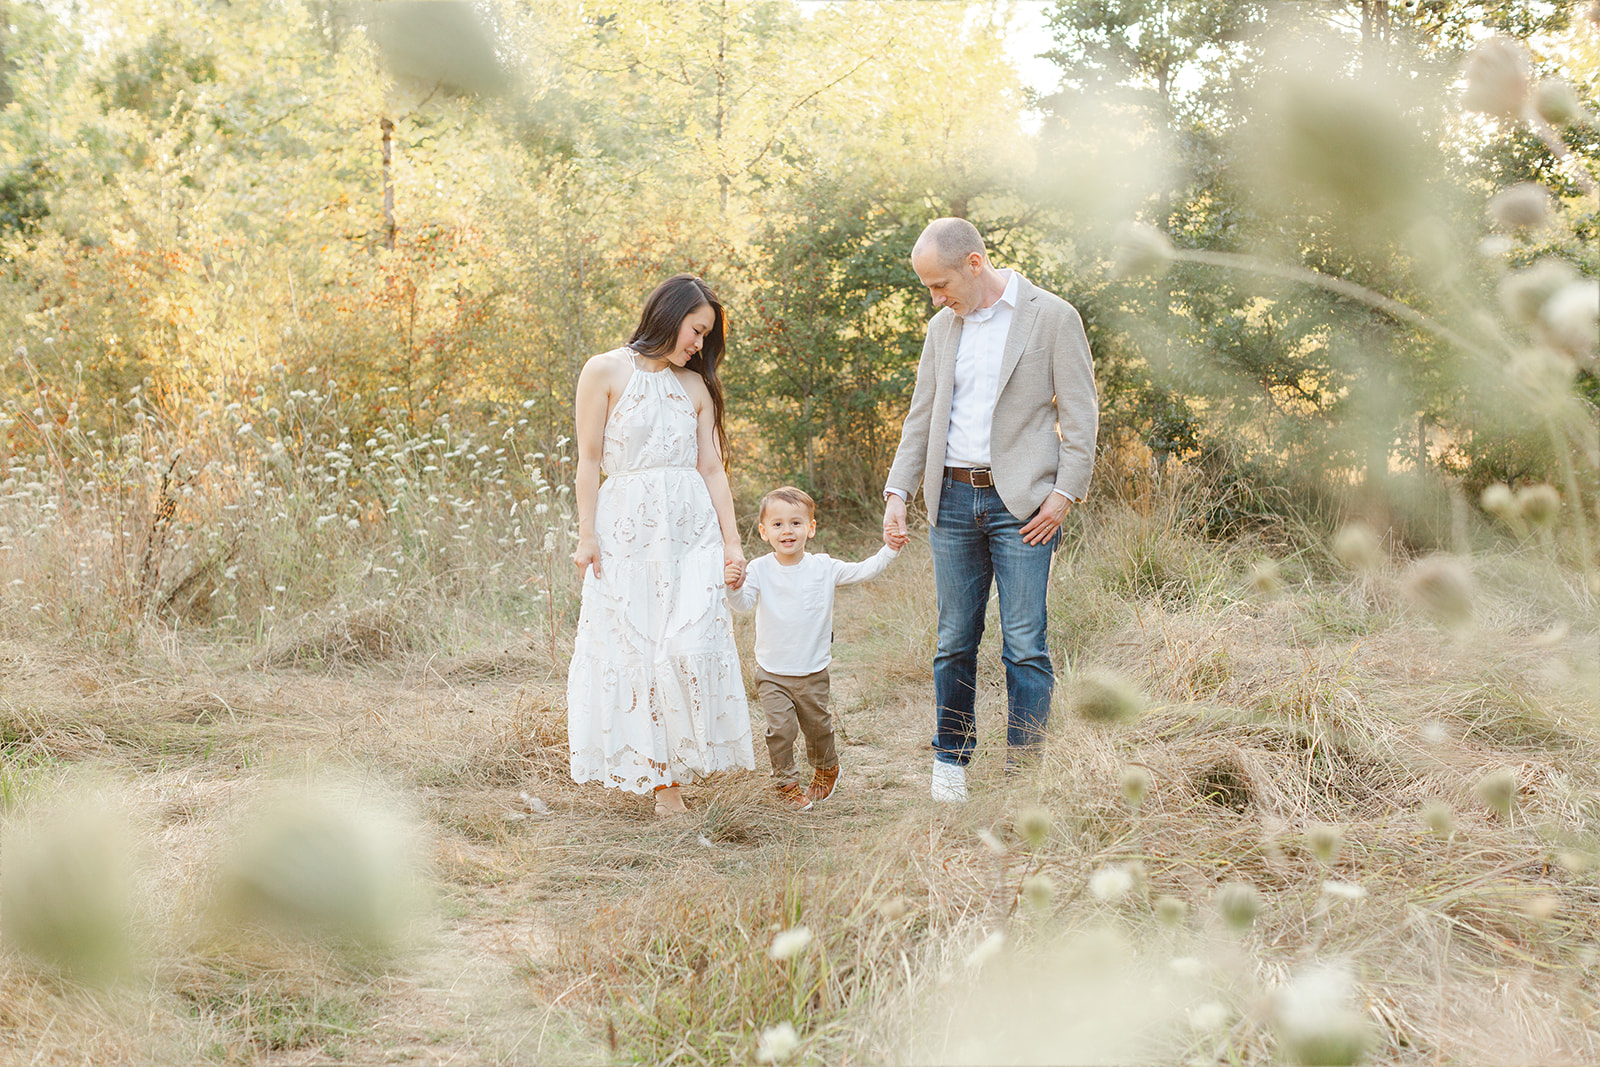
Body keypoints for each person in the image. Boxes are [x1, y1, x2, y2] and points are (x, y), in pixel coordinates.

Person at [882, 218, 1098, 802]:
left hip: (1023, 504)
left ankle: (1025, 773)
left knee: (1025, 640)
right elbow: (921, 416)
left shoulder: (1053, 317)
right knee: (954, 637)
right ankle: (950, 762)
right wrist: (898, 492)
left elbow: (1082, 417)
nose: (935, 297)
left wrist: (1064, 495)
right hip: (951, 500)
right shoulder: (940, 328)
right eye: (928, 288)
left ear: (974, 263)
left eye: (939, 283)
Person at [567, 274, 755, 816]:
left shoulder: (694, 388)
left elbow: (713, 469)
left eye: (705, 338)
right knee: (636, 649)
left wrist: (732, 544)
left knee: (686, 644)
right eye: (696, 332)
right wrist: (586, 536)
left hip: (690, 531)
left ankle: (681, 759)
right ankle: (662, 784)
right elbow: (587, 461)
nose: (699, 345)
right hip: (626, 531)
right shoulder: (604, 371)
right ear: (669, 315)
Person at [725, 487, 905, 810]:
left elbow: (864, 569)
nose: (787, 531)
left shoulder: (823, 567)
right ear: (764, 532)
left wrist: (889, 550)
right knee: (780, 730)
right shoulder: (759, 569)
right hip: (772, 672)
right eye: (777, 524)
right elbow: (742, 604)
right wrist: (732, 586)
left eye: (796, 522)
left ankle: (826, 769)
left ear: (811, 527)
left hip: (812, 671)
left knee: (818, 728)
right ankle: (786, 783)